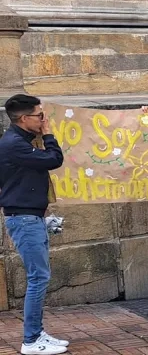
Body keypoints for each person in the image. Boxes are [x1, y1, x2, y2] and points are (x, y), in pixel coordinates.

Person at [0, 95, 68, 355]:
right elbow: (54, 159)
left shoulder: (20, 142)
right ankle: (30, 340)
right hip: (24, 218)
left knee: (39, 276)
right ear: (24, 118)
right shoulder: (14, 144)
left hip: (30, 216)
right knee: (38, 278)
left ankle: (37, 333)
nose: (44, 120)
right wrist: (49, 135)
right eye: (40, 116)